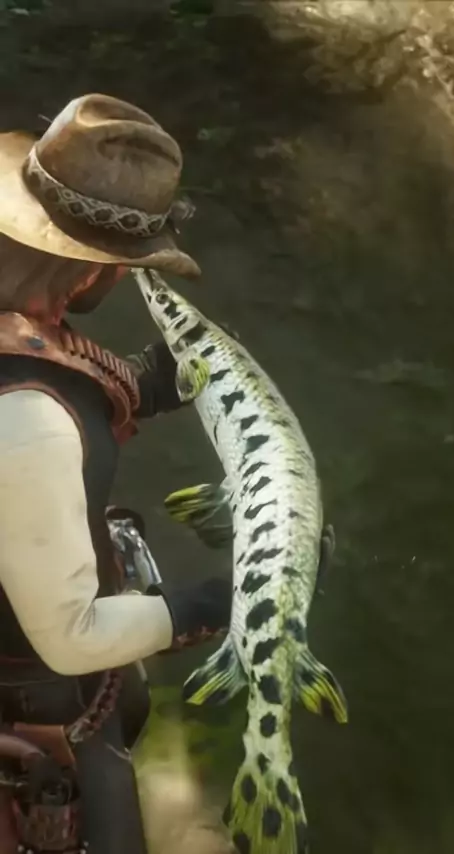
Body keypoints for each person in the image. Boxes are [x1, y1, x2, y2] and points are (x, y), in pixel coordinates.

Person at [0, 93, 232, 854]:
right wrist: (224, 601)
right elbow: (71, 639)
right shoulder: (27, 421)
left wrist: (144, 383)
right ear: (96, 268)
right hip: (34, 693)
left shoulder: (18, 332)